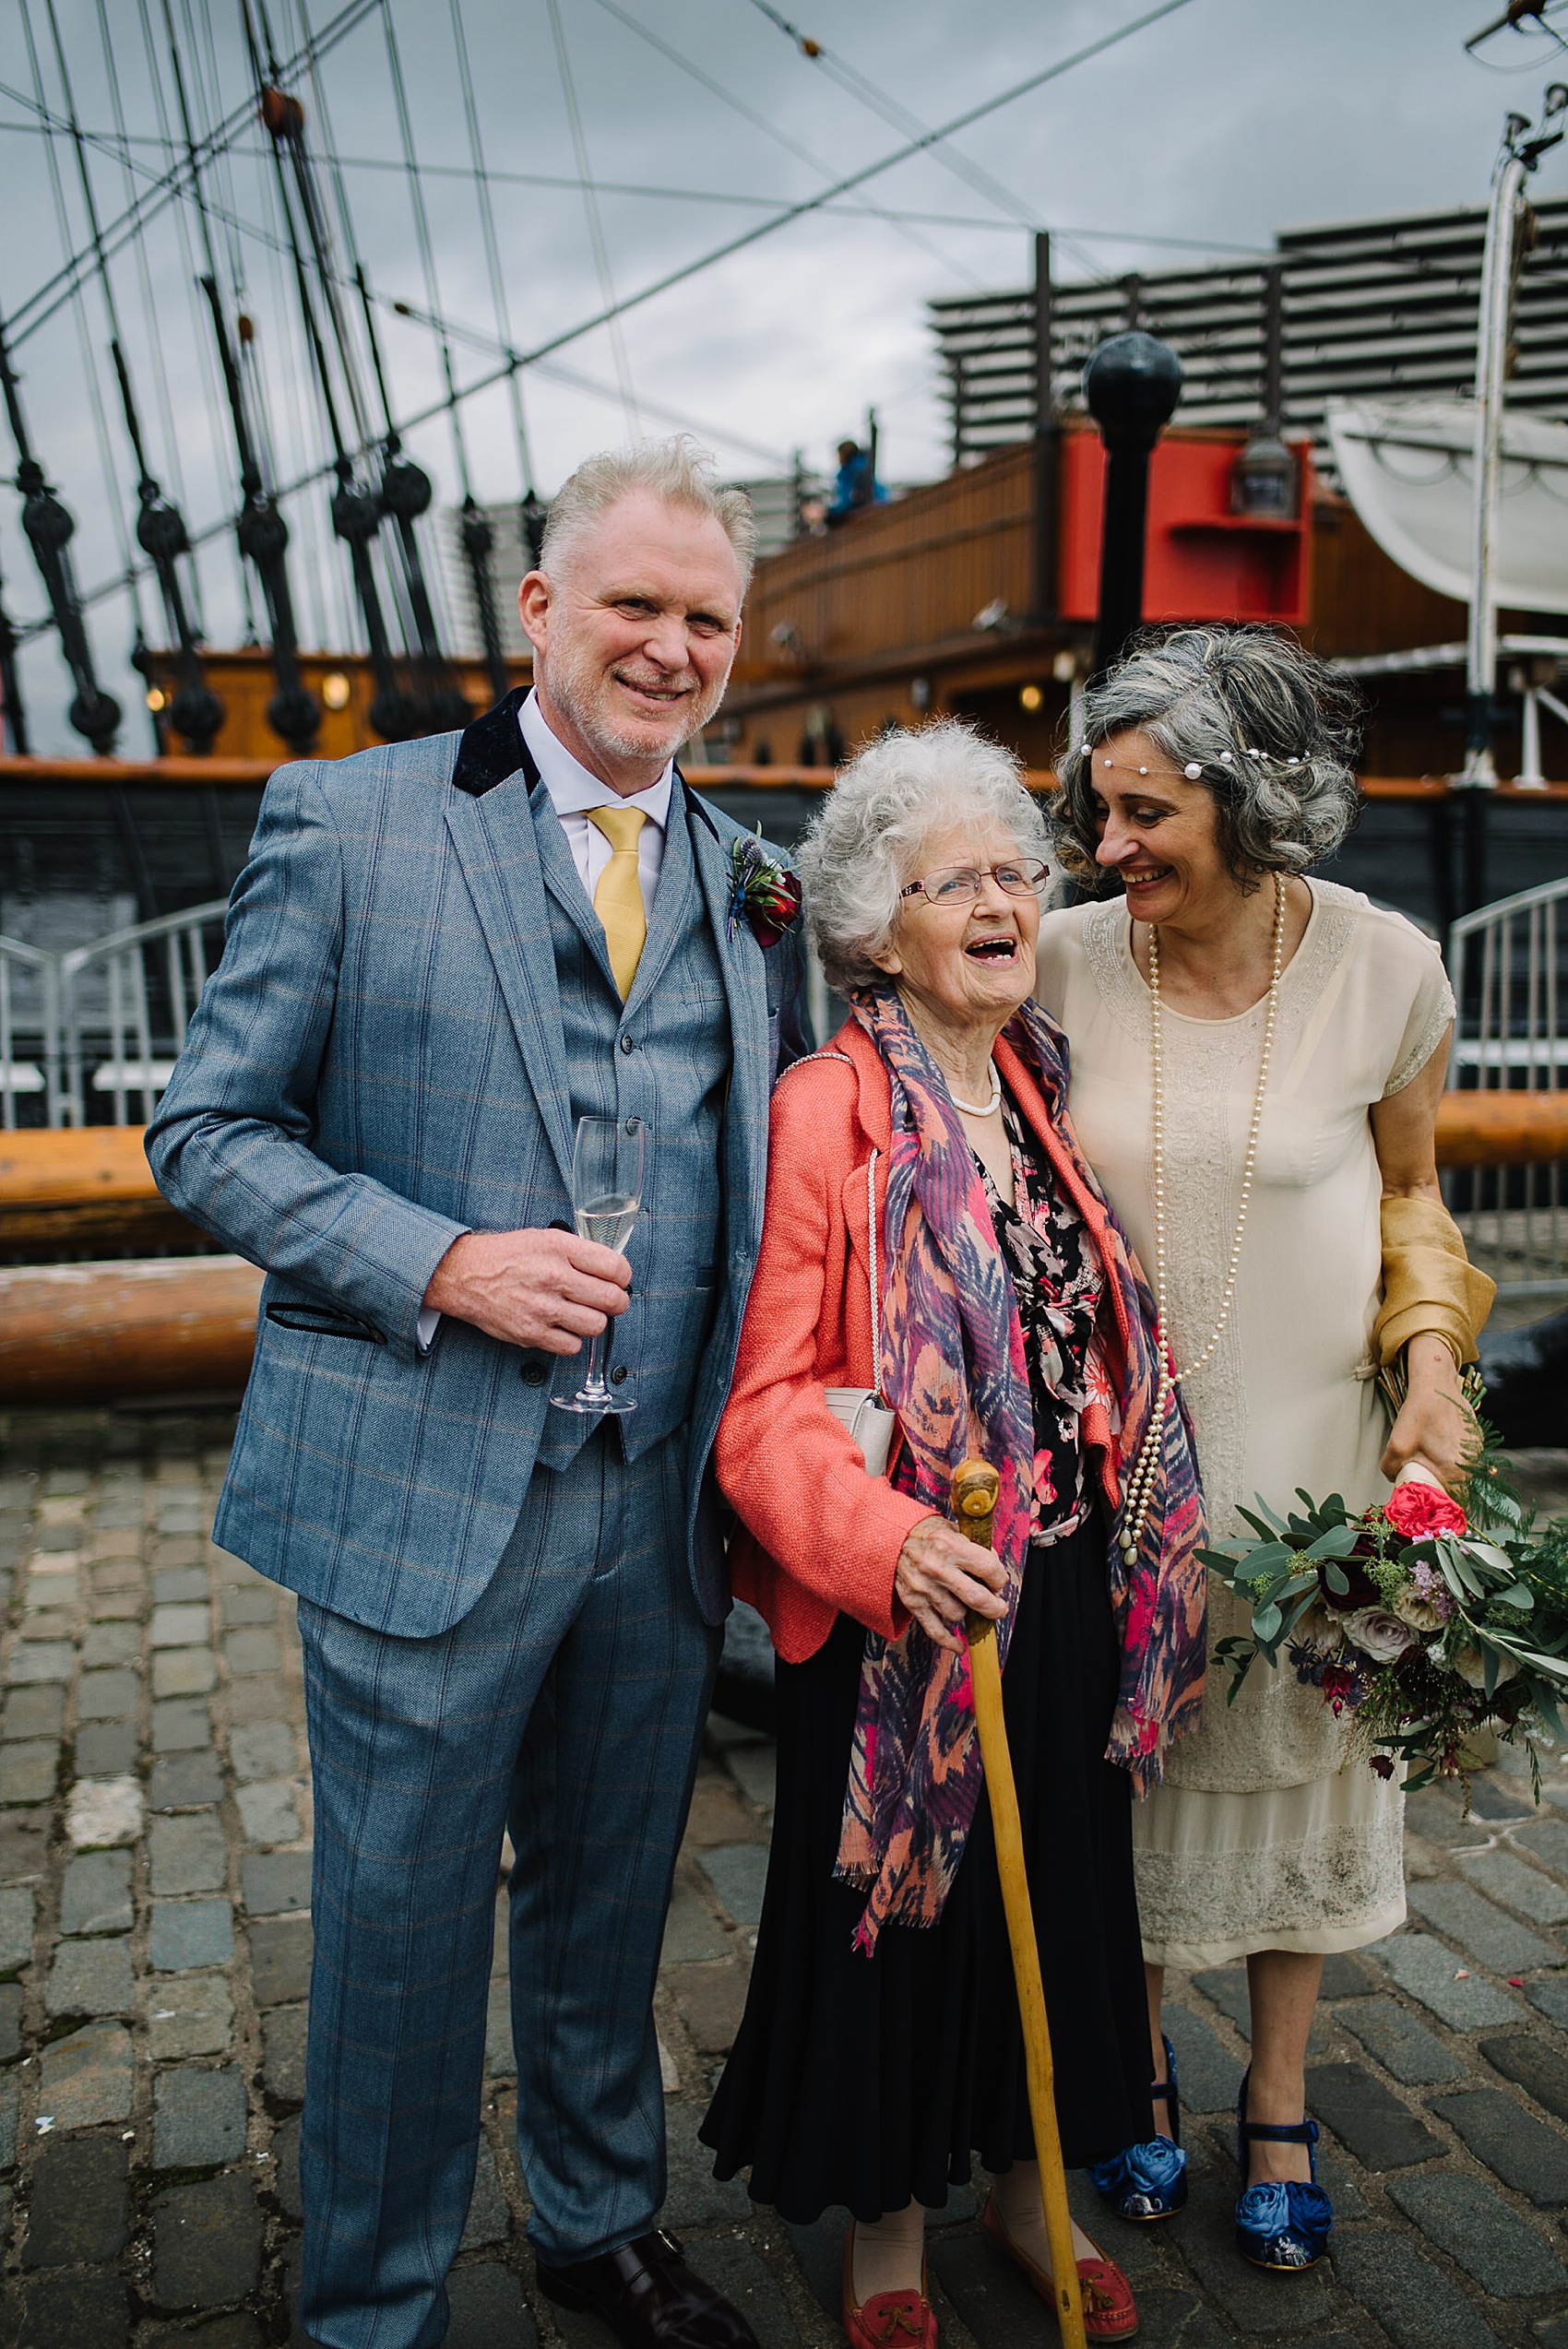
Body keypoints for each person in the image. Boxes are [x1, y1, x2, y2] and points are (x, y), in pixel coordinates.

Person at [146, 437, 810, 2349]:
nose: (670, 648)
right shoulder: (345, 821)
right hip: (420, 1487)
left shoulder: (760, 886)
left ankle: (600, 2222)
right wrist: (436, 1257)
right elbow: (206, 1131)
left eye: (705, 620)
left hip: (655, 1502)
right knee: (400, 1927)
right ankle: (370, 2302)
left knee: (612, 1904)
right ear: (537, 609)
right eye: (634, 605)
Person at [699, 721, 1208, 2348]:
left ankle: (1031, 2184)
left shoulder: (1048, 1084)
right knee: (908, 1910)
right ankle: (894, 2233)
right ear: (876, 924)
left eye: (1014, 871)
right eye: (953, 881)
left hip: (1061, 1575)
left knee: (1053, 1890)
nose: (999, 901)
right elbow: (763, 1403)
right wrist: (882, 1543)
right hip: (906, 1601)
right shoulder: (825, 1110)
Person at [1036, 624, 1492, 2273]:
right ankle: (1138, 2070)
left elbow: (1413, 1198)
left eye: (1147, 812)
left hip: (1318, 1469)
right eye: (1100, 810)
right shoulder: (1065, 958)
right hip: (1114, 1476)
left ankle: (1281, 2095)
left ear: (1253, 798)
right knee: (1131, 1781)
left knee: (1299, 1765)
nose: (1108, 848)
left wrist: (1435, 1364)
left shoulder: (1389, 968)